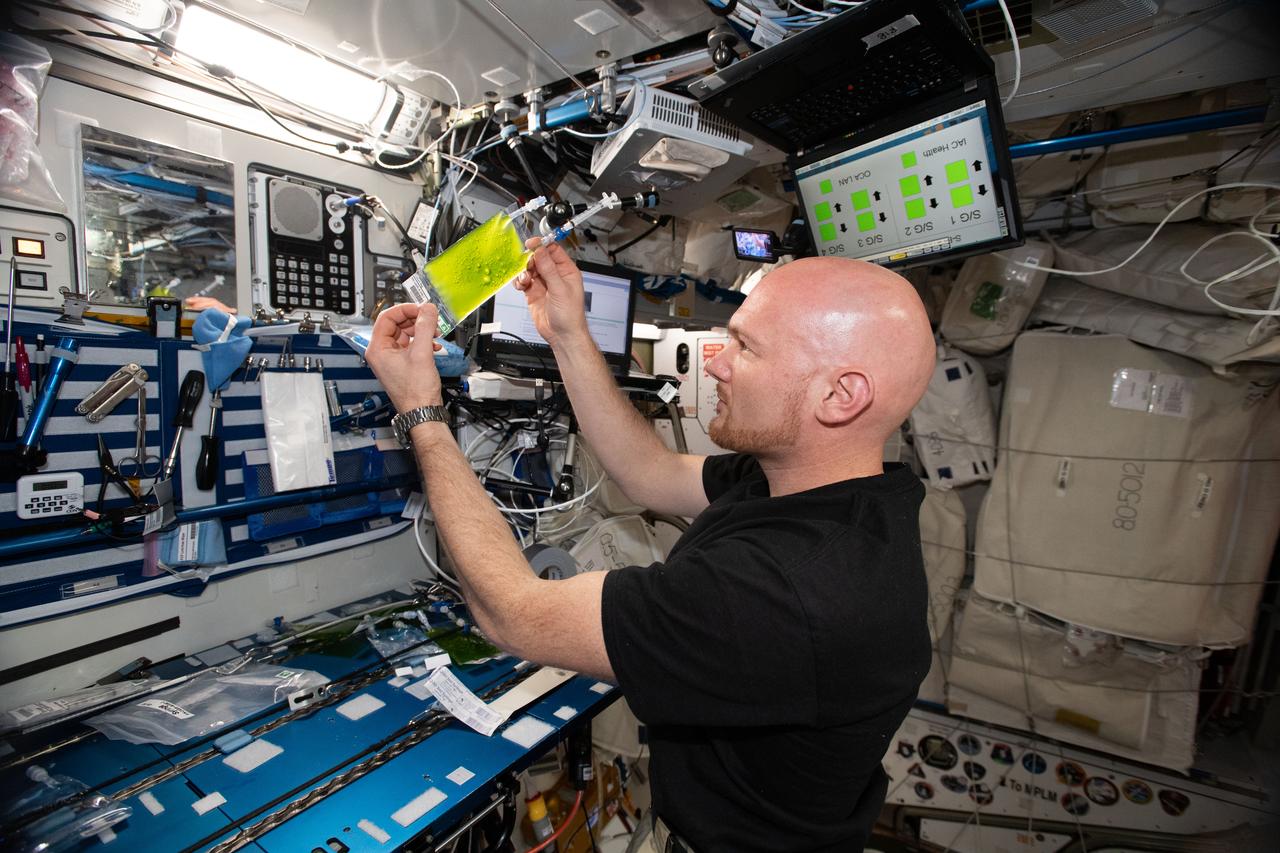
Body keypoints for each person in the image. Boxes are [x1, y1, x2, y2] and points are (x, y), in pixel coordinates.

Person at [364, 243, 937, 852]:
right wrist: (568, 334)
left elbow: (514, 613)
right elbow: (650, 473)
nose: (717, 364)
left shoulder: (790, 593)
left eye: (748, 347)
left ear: (840, 396)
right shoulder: (828, 488)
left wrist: (421, 412)